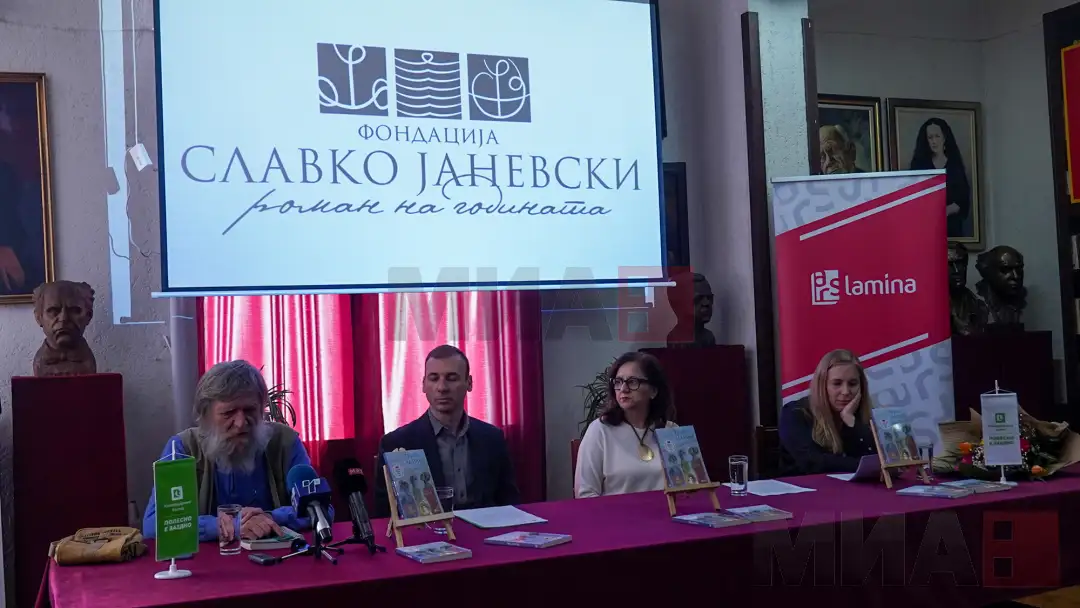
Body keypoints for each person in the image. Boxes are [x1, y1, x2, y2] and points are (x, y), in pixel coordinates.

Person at [143, 360, 329, 542]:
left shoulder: (285, 442)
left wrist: (270, 518)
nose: (241, 423)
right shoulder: (183, 448)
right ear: (206, 416)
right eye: (228, 413)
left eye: (250, 410)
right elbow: (154, 525)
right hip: (210, 561)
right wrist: (225, 526)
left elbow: (322, 510)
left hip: (279, 558)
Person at [373, 344, 520, 518]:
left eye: (451, 378)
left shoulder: (492, 438)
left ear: (469, 383)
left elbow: (509, 500)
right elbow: (384, 513)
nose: (442, 387)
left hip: (487, 528)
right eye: (434, 378)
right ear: (423, 385)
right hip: (429, 531)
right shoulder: (396, 443)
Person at [575, 351, 676, 497]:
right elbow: (585, 494)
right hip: (615, 512)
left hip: (665, 511)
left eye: (633, 382)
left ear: (653, 391)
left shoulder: (671, 431)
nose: (623, 389)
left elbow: (689, 488)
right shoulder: (600, 430)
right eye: (618, 382)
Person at [778, 349, 876, 475]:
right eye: (837, 383)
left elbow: (874, 457)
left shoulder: (862, 414)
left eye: (852, 384)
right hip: (803, 485)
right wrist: (865, 465)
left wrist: (852, 423)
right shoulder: (794, 413)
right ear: (822, 385)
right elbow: (813, 463)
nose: (846, 392)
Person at [908, 117, 971, 238]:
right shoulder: (920, 166)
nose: (934, 141)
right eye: (930, 137)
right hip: (925, 228)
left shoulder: (955, 166)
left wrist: (946, 210)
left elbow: (963, 200)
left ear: (944, 137)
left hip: (952, 230)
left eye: (937, 136)